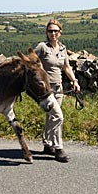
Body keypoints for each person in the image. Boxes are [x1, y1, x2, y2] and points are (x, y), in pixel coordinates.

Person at [34, 19, 80, 162]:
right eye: (50, 31)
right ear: (46, 33)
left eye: (55, 31)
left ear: (60, 32)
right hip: (45, 90)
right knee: (58, 116)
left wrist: (74, 81)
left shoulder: (62, 48)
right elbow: (31, 62)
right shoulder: (42, 47)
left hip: (58, 88)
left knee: (51, 116)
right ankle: (58, 148)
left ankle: (47, 144)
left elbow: (66, 66)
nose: (53, 33)